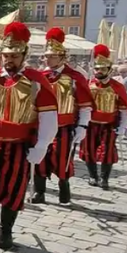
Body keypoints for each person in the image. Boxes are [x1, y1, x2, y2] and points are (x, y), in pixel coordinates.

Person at [0, 22, 58, 250]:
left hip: (18, 145)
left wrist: (42, 145)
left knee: (13, 188)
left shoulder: (36, 81)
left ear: (24, 55)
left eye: (15, 55)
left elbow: (49, 116)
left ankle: (5, 231)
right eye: (6, 55)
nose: (10, 60)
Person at [34, 28, 93, 203]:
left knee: (62, 158)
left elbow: (85, 105)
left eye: (52, 56)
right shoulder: (39, 76)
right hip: (42, 126)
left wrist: (83, 126)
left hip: (64, 126)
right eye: (46, 56)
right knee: (40, 157)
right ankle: (40, 191)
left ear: (62, 57)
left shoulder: (75, 77)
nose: (48, 59)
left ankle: (63, 186)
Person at [80, 44, 127, 191]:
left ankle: (104, 178)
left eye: (102, 69)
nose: (99, 71)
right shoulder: (89, 85)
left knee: (107, 151)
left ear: (109, 70)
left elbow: (124, 109)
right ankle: (93, 176)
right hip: (90, 124)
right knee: (89, 150)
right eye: (97, 69)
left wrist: (123, 127)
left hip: (109, 125)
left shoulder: (117, 87)